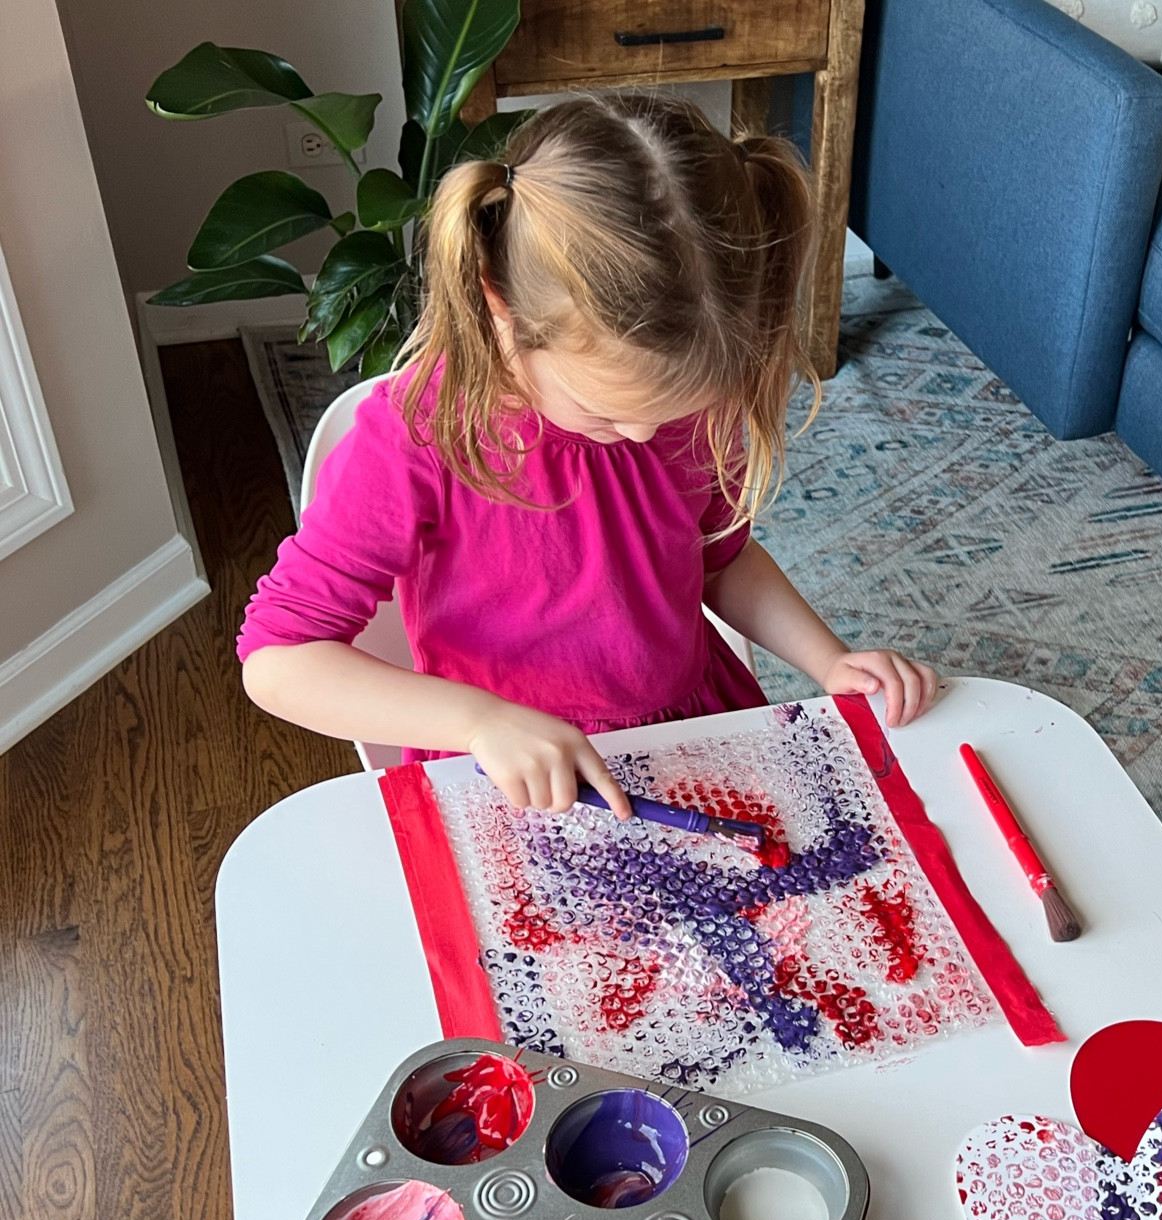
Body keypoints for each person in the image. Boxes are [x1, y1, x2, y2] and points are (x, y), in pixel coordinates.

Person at [238, 93, 937, 821]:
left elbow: (720, 558)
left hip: (694, 735)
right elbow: (278, 661)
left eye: (665, 413)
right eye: (607, 413)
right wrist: (478, 722)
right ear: (499, 304)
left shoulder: (676, 403)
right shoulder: (419, 440)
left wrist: (828, 659)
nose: (642, 437)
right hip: (516, 784)